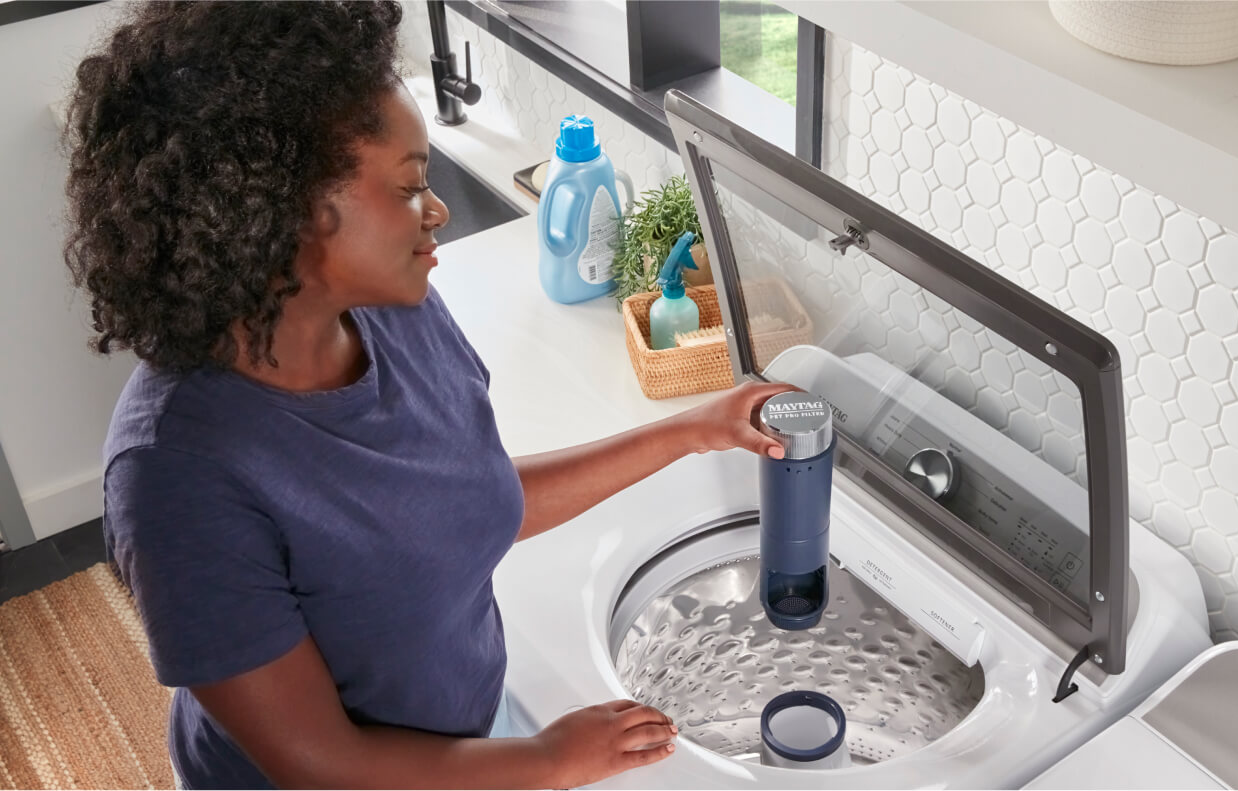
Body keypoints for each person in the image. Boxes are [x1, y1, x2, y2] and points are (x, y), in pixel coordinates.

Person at [63, 3, 790, 788]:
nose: (436, 210)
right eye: (410, 186)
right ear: (281, 214)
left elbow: (465, 499)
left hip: (463, 740)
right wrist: (547, 759)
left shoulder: (395, 309)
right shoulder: (175, 475)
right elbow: (318, 763)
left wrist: (693, 429)